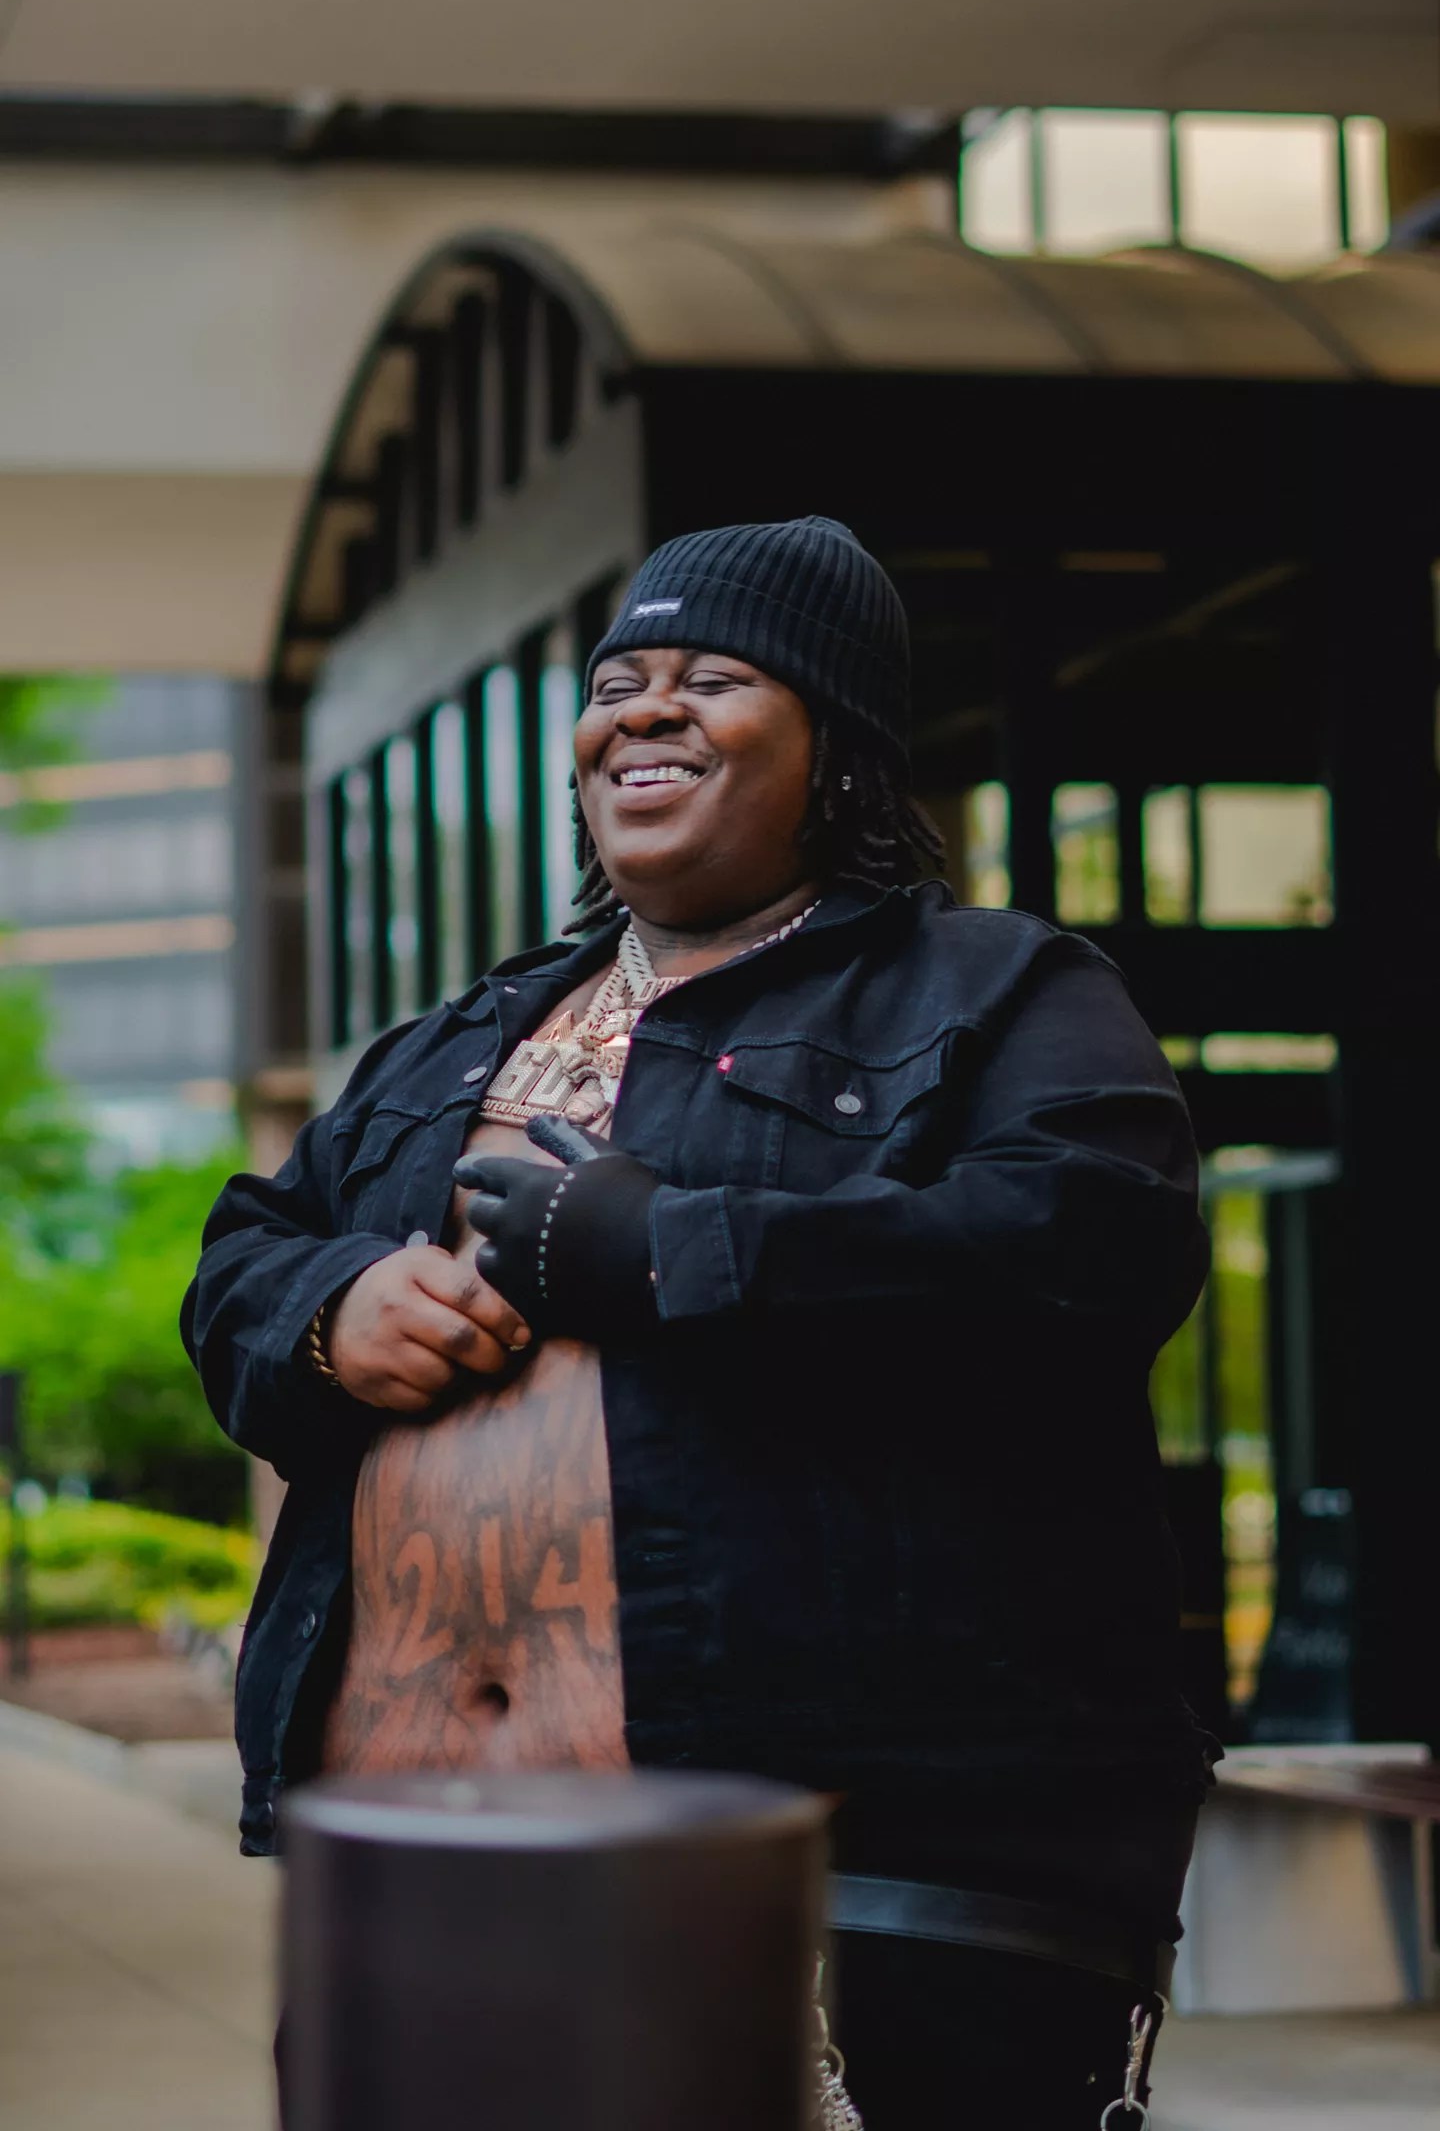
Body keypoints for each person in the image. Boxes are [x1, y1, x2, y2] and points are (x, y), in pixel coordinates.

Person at [183, 515, 1213, 2125]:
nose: (644, 712)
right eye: (619, 681)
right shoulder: (464, 1033)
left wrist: (670, 1250)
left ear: (841, 749)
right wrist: (326, 1311)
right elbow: (243, 1252)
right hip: (415, 1863)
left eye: (715, 678)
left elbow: (1091, 1250)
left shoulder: (997, 989)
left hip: (865, 1865)